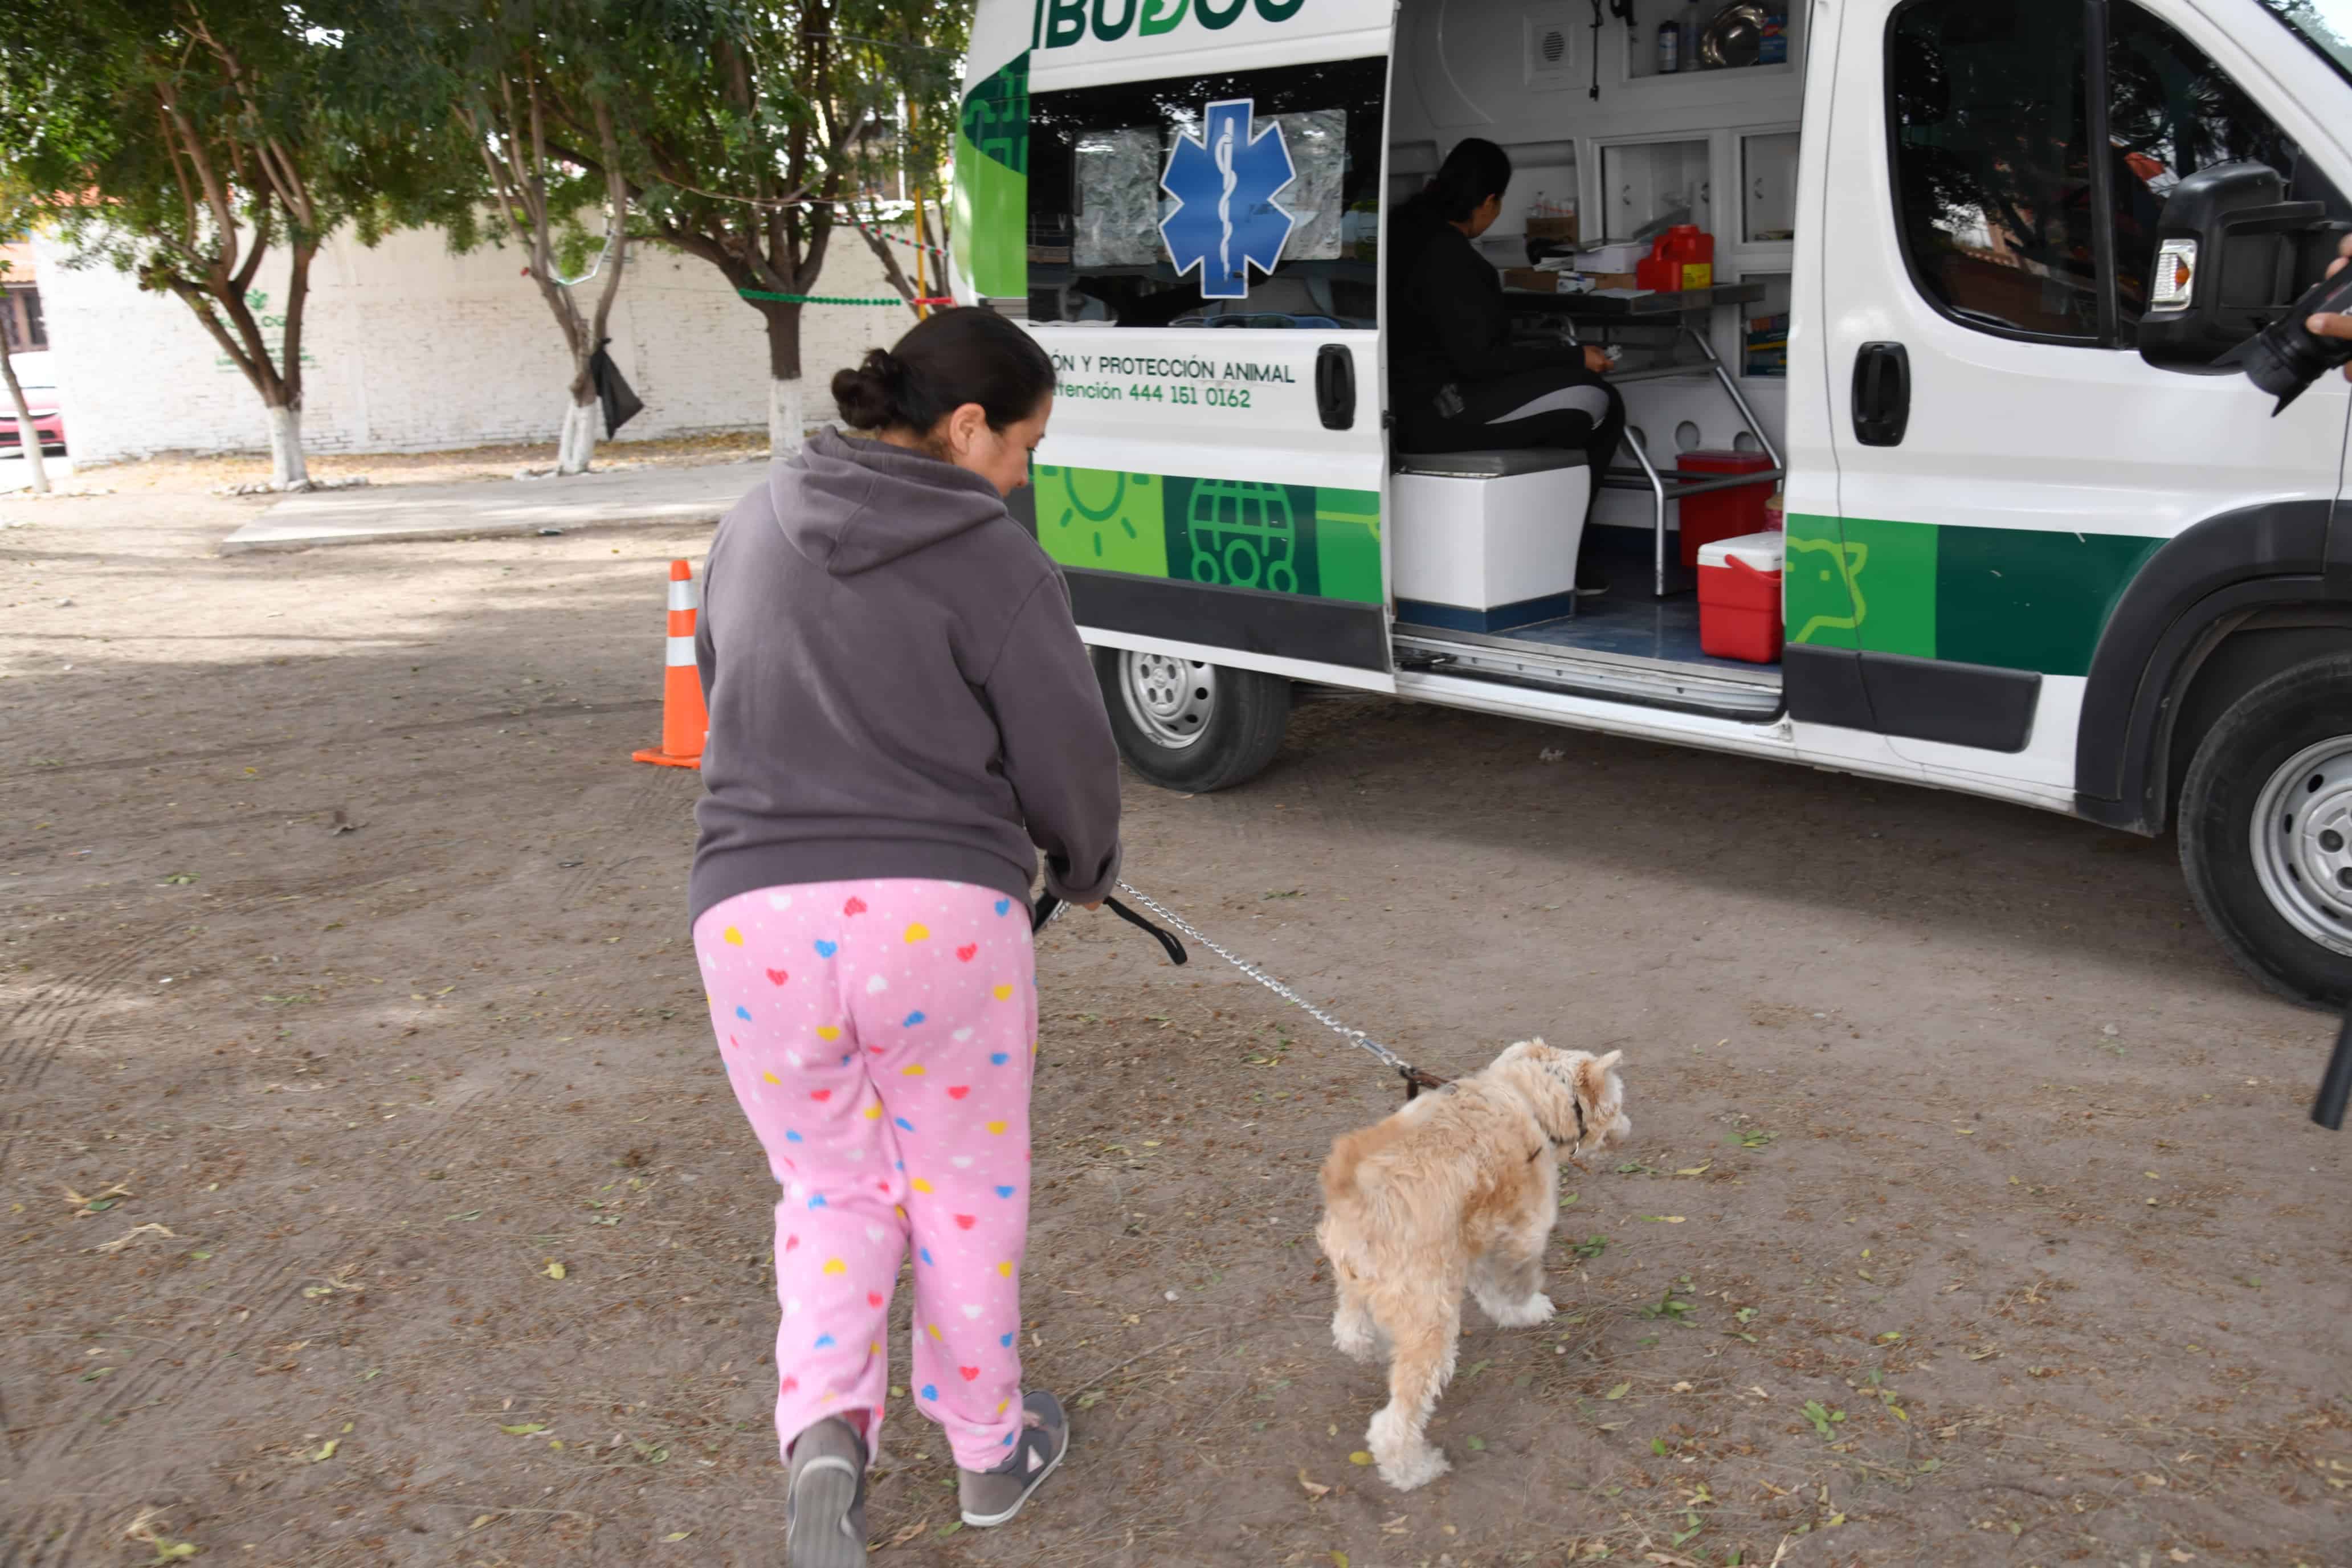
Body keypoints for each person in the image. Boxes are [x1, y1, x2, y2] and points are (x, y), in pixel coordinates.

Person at [688, 307, 1122, 1565]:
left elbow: (724, 685)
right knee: (964, 1197)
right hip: (940, 919)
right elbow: (1066, 747)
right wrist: (1086, 865)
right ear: (970, 423)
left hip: (752, 914)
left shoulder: (752, 519)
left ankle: (826, 1429)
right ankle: (990, 1453)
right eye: (1026, 444)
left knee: (828, 1184)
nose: (1025, 475)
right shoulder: (993, 555)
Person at [1388, 137, 1627, 594]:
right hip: (1443, 413)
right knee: (1601, 401)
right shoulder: (1455, 258)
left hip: (1398, 409)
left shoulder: (1400, 235)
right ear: (1489, 201)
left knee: (1561, 396)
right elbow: (1483, 361)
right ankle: (1566, 561)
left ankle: (1532, 539)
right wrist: (1575, 356)